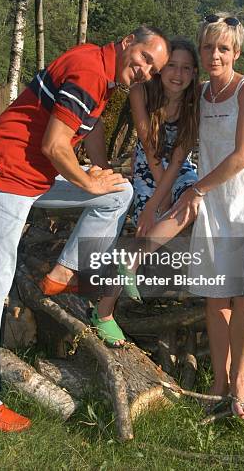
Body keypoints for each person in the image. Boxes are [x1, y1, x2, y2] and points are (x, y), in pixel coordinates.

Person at [0, 25, 171, 432]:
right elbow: (55, 145)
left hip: (34, 175)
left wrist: (99, 173)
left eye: (153, 69)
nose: (145, 71)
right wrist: (87, 181)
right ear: (127, 43)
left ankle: (65, 273)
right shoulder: (90, 70)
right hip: (8, 175)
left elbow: (94, 128)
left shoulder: (102, 73)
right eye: (144, 59)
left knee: (116, 194)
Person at [171, 13, 244, 421]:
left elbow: (242, 156)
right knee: (215, 295)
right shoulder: (200, 93)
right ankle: (218, 382)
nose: (214, 54)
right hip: (217, 205)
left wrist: (195, 189)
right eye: (208, 47)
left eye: (223, 48)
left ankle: (239, 379)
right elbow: (183, 143)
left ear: (236, 52)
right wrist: (156, 202)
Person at [90, 38, 199, 346]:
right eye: (172, 66)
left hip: (180, 169)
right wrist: (153, 203)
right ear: (161, 69)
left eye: (186, 68)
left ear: (194, 74)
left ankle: (131, 260)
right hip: (147, 167)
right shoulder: (141, 92)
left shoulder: (195, 101)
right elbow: (150, 149)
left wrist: (162, 200)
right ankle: (105, 312)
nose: (178, 74)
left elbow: (179, 158)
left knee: (194, 201)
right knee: (148, 223)